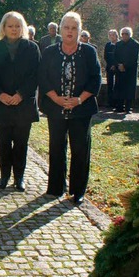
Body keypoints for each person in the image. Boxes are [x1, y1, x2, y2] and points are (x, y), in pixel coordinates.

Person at [38, 11, 101, 204]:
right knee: (56, 147)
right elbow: (43, 77)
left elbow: (95, 79)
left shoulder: (89, 52)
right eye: (66, 27)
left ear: (80, 31)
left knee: (80, 149)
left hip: (81, 109)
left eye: (74, 28)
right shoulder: (49, 52)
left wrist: (79, 100)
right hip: (55, 108)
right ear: (60, 29)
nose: (70, 32)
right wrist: (55, 98)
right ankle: (56, 187)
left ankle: (78, 191)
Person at [0, 12, 40, 191]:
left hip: (23, 103)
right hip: (2, 103)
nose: (14, 29)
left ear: (22, 27)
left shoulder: (32, 48)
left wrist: (21, 94)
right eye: (10, 26)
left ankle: (19, 177)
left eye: (17, 26)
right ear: (3, 28)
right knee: (4, 142)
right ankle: (4, 176)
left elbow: (36, 75)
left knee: (21, 143)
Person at [113, 27, 139, 114]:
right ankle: (119, 107)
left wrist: (124, 65)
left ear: (130, 34)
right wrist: (119, 65)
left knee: (129, 88)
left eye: (126, 34)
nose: (124, 35)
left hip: (130, 70)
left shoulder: (135, 44)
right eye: (123, 34)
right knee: (119, 87)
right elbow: (115, 56)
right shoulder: (118, 44)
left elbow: (134, 58)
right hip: (119, 70)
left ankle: (128, 107)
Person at [103, 29, 119, 109]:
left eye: (113, 35)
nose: (111, 37)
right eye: (110, 35)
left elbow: (120, 56)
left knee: (117, 85)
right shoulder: (108, 45)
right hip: (109, 68)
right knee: (110, 85)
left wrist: (115, 65)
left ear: (116, 35)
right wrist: (111, 65)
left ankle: (117, 102)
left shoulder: (120, 44)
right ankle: (110, 102)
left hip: (118, 68)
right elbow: (106, 56)